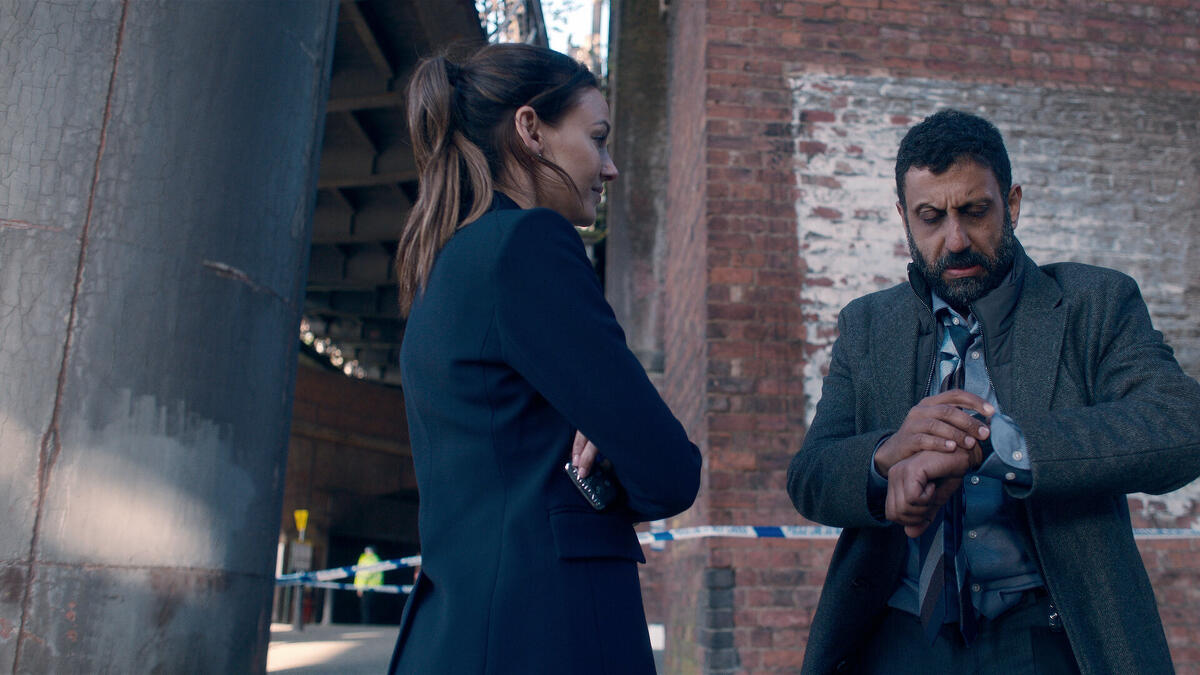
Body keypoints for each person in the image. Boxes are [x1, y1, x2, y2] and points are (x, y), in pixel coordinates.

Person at [787, 109, 1200, 674]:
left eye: (975, 212)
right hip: (899, 637)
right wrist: (885, 461)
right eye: (931, 218)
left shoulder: (1095, 302)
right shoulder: (867, 325)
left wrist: (1000, 445)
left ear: (1013, 203)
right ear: (903, 217)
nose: (956, 239)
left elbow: (1180, 424)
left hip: (1046, 636)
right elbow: (810, 475)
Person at [388, 43, 701, 675]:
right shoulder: (527, 244)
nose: (610, 168)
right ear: (530, 130)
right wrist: (612, 453)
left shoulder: (441, 271)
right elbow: (670, 470)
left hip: (459, 635)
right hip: (544, 634)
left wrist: (606, 435)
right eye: (598, 139)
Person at [353, 545, 383, 624]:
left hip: (366, 587)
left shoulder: (367, 559)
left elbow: (364, 575)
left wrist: (360, 588)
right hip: (375, 586)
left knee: (365, 607)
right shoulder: (377, 559)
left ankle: (365, 623)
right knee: (372, 606)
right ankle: (370, 622)